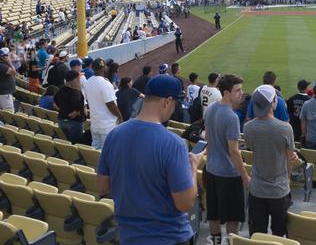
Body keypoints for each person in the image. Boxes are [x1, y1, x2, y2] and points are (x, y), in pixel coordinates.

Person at [97, 74, 200, 245]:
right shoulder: (174, 144)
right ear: (167, 101)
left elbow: (102, 187)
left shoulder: (114, 134)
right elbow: (185, 203)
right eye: (175, 104)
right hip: (168, 237)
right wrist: (193, 167)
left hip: (128, 236)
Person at [243, 85, 297, 237]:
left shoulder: (248, 128)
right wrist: (287, 181)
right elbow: (290, 159)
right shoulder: (285, 128)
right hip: (278, 190)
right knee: (278, 234)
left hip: (257, 190)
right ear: (273, 102)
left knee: (257, 234)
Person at [204, 74, 250, 244]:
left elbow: (208, 137)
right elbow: (234, 151)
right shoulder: (232, 117)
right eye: (237, 90)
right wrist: (245, 177)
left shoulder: (211, 108)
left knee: (213, 215)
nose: (241, 93)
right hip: (228, 175)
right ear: (226, 92)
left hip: (211, 170)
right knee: (232, 218)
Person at [84, 58, 123, 149]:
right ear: (104, 68)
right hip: (107, 125)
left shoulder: (88, 82)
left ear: (93, 68)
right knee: (108, 149)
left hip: (95, 123)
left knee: (95, 148)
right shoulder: (106, 84)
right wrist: (120, 117)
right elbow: (110, 104)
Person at [54, 70, 86, 143]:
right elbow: (78, 104)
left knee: (69, 141)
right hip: (74, 122)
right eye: (78, 78)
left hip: (62, 120)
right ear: (75, 80)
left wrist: (64, 109)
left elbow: (56, 101)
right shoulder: (76, 93)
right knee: (76, 143)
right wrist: (77, 111)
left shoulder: (60, 90)